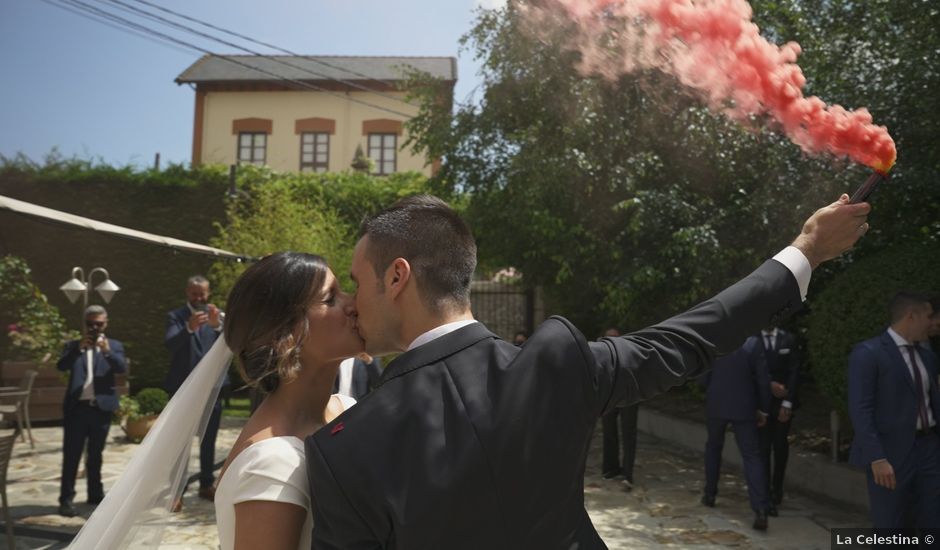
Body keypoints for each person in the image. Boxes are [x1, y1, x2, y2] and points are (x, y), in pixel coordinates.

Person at [305, 193, 869, 549]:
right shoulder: (555, 365)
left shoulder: (343, 449)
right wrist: (806, 251)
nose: (352, 303)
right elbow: (692, 336)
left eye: (356, 282)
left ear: (398, 277)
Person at [213, 252, 363, 550]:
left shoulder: (347, 409)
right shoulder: (272, 462)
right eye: (330, 298)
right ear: (287, 334)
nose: (353, 304)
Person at [848, 291, 940, 529]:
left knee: (932, 522)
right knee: (891, 525)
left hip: (929, 450)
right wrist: (876, 457)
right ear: (911, 316)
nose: (933, 322)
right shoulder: (869, 353)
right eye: (928, 316)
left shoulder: (927, 356)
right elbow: (861, 410)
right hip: (891, 454)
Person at [57, 305, 127, 517]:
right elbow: (61, 366)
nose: (95, 327)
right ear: (84, 324)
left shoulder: (114, 345)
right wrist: (78, 347)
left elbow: (121, 367)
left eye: (99, 324)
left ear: (106, 323)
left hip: (101, 409)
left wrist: (106, 351)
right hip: (77, 410)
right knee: (72, 456)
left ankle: (95, 494)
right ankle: (66, 499)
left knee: (96, 455)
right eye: (91, 324)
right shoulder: (73, 345)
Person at [164, 275, 227, 504]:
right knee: (180, 443)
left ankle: (206, 484)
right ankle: (176, 492)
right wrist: (188, 329)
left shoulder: (216, 316)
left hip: (212, 389)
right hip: (183, 390)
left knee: (208, 440)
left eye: (202, 293)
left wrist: (217, 326)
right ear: (187, 293)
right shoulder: (176, 317)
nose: (198, 298)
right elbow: (170, 344)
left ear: (208, 293)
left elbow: (231, 345)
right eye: (194, 293)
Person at [700, 339, 772, 530]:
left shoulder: (714, 340)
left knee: (713, 448)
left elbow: (702, 375)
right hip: (744, 406)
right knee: (751, 456)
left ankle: (710, 494)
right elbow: (763, 380)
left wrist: (710, 390)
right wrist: (764, 408)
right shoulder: (754, 343)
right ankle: (760, 509)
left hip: (717, 403)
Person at [756, 325, 799, 516]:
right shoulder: (752, 340)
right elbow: (751, 370)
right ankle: (764, 494)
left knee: (780, 447)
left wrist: (788, 402)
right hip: (761, 404)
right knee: (763, 448)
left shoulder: (789, 338)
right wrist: (768, 385)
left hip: (783, 403)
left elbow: (795, 371)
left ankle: (777, 489)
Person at [600, 327, 639, 492]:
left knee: (628, 433)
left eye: (615, 338)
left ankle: (627, 474)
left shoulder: (629, 352)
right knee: (608, 431)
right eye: (609, 338)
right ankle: (611, 468)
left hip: (629, 396)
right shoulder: (602, 354)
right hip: (610, 397)